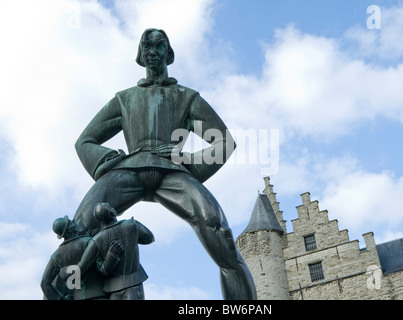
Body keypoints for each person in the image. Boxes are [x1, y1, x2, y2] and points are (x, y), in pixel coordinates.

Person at [72, 28, 257, 300]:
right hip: (130, 169)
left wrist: (188, 162)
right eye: (146, 47)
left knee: (218, 228)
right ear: (140, 55)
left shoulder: (186, 97)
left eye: (159, 46)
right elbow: (85, 141)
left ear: (168, 53)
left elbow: (224, 142)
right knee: (80, 228)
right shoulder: (125, 99)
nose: (152, 52)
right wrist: (111, 160)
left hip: (173, 172)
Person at [63, 203, 154, 300]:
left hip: (112, 290)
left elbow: (100, 270)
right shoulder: (132, 225)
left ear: (100, 221)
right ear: (113, 212)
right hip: (133, 284)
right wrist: (133, 233)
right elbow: (149, 238)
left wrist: (64, 272)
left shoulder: (96, 240)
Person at [40, 216, 108, 300]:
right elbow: (105, 267)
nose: (74, 221)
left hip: (78, 297)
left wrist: (60, 298)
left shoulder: (57, 255)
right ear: (69, 229)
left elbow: (44, 283)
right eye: (70, 222)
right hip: (100, 294)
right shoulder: (89, 242)